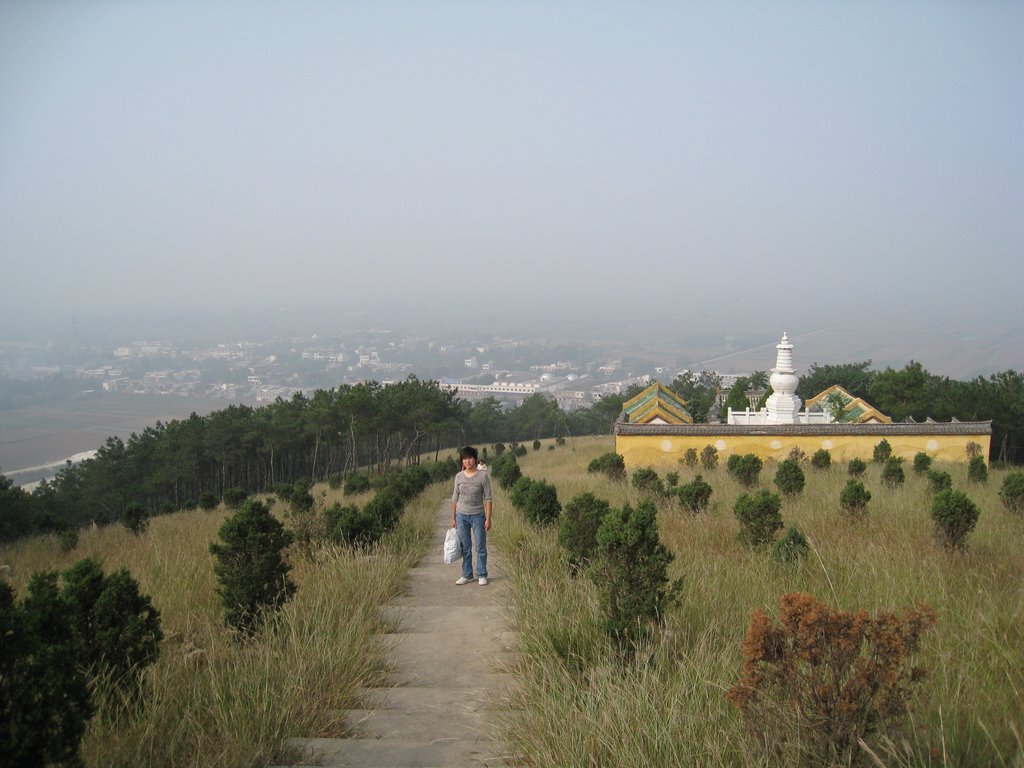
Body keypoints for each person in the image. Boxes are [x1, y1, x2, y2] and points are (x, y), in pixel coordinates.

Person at [451, 445, 492, 586]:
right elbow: (454, 498)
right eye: (464, 458)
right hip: (461, 515)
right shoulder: (458, 477)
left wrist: (488, 518)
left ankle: (481, 574)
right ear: (462, 461)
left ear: (475, 459)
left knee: (480, 546)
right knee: (465, 547)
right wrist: (453, 518)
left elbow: (488, 498)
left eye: (470, 458)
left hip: (478, 515)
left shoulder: (483, 476)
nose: (467, 461)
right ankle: (467, 575)